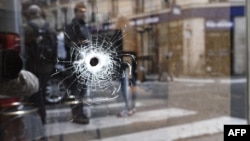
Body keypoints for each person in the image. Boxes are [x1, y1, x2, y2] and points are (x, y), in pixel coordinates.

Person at [23, 4, 56, 125]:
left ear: (29, 14)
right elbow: (55, 45)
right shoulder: (50, 26)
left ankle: (40, 119)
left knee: (36, 93)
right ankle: (41, 116)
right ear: (39, 12)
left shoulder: (27, 27)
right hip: (47, 66)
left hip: (33, 66)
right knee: (42, 90)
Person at [64, 3, 91, 124]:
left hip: (86, 63)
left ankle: (81, 112)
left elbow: (89, 43)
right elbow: (68, 43)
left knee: (83, 90)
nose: (83, 13)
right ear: (75, 12)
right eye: (81, 11)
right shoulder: (70, 27)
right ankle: (76, 114)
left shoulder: (85, 27)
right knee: (76, 90)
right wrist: (80, 46)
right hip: (75, 63)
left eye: (84, 11)